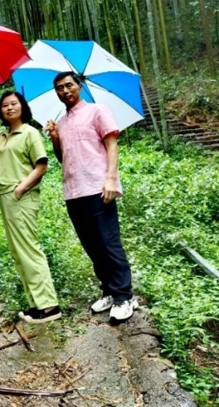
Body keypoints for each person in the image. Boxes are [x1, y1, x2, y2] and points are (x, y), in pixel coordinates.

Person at [0, 92, 61, 324]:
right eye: (5, 105)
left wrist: (21, 188)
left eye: (14, 103)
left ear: (22, 107)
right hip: (5, 197)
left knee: (28, 248)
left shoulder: (30, 132)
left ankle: (49, 306)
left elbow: (41, 165)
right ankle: (37, 303)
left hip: (21, 197)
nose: (9, 107)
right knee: (18, 251)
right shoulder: (0, 136)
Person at [45, 71, 137, 322]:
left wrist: (110, 179)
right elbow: (64, 158)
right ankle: (108, 290)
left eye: (68, 86)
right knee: (92, 246)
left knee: (109, 243)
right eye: (59, 89)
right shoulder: (61, 122)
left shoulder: (98, 111)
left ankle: (124, 296)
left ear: (80, 86)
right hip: (74, 192)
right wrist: (55, 138)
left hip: (97, 187)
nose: (64, 91)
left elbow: (111, 145)